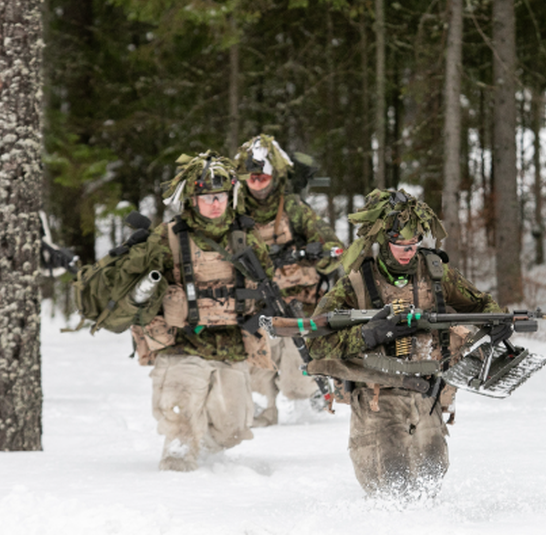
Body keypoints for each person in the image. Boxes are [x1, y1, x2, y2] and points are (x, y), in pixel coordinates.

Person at [307, 189, 507, 499]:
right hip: (377, 396)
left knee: (430, 478)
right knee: (387, 483)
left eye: (413, 245)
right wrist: (367, 335)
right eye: (399, 245)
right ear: (382, 240)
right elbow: (315, 343)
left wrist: (495, 323)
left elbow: (481, 304)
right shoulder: (357, 282)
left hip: (427, 392)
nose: (407, 252)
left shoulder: (436, 273)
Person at [126, 151, 275, 471]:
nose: (214, 204)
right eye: (206, 197)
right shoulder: (168, 238)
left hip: (231, 344)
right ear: (192, 199)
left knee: (233, 430)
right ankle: (180, 455)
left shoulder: (245, 236)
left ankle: (206, 444)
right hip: (182, 344)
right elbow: (140, 290)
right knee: (179, 414)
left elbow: (265, 280)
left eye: (220, 196)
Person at [234, 134, 344, 426]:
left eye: (263, 176)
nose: (257, 182)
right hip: (255, 309)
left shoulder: (293, 208)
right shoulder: (233, 211)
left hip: (298, 305)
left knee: (298, 384)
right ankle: (261, 418)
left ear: (273, 176)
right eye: (252, 177)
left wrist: (313, 254)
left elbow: (334, 249)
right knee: (257, 379)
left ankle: (311, 407)